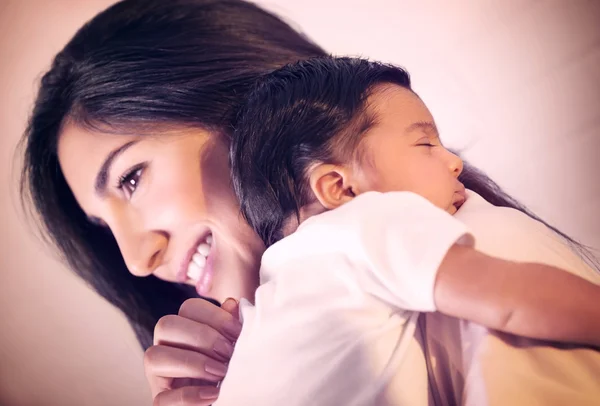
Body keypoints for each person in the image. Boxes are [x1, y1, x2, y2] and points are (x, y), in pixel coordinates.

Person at [19, 1, 599, 405]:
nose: (136, 260)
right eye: (105, 225)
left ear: (254, 106)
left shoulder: (458, 256)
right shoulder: (292, 323)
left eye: (131, 180)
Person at [210, 56, 600, 405]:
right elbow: (511, 298)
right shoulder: (366, 224)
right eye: (426, 143)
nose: (455, 163)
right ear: (340, 188)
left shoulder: (270, 301)